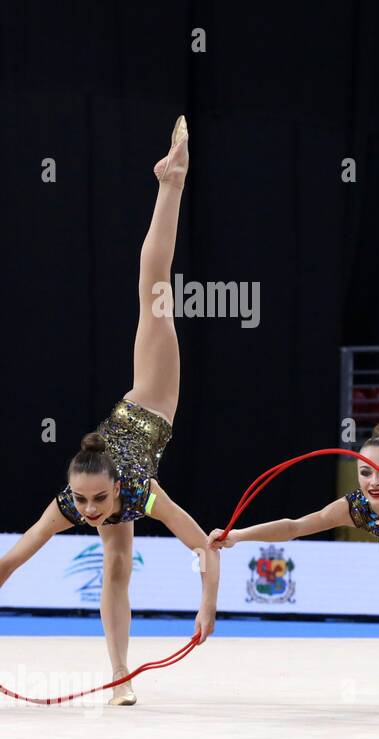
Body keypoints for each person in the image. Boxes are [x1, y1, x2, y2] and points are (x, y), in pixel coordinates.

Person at [208, 149, 379, 716]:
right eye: (365, 472)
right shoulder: (358, 503)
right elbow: (295, 525)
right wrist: (236, 536)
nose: (372, 480)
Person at [0, 118, 219, 706]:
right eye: (86, 502)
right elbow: (10, 563)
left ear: (114, 485)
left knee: (154, 289)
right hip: (136, 420)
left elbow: (203, 545)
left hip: (150, 397)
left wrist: (207, 606)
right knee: (115, 568)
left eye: (97, 500)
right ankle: (120, 675)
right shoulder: (76, 502)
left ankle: (171, 181)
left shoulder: (140, 490)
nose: (90, 512)